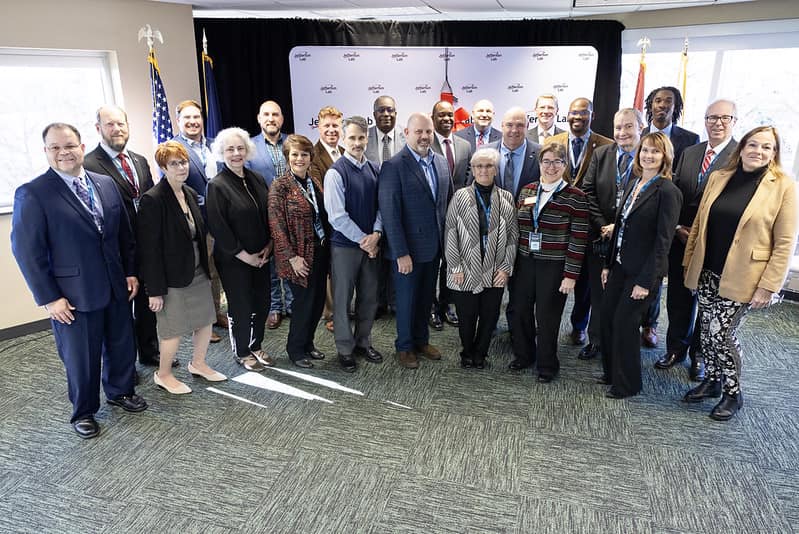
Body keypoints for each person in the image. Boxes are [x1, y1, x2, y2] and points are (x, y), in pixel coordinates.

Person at [11, 123, 147, 439]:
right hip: (71, 296)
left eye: (70, 145)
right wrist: (49, 298)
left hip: (115, 285)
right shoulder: (34, 193)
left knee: (121, 344)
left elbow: (123, 235)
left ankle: (120, 391)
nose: (64, 153)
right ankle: (84, 411)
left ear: (82, 147)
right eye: (56, 147)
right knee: (82, 357)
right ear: (46, 152)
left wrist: (130, 272)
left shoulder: (105, 184)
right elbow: (27, 251)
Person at [682, 125, 797, 421]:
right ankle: (713, 381)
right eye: (753, 145)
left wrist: (768, 286)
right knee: (706, 331)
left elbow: (785, 243)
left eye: (767, 147)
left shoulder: (784, 186)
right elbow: (699, 224)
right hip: (708, 270)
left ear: (774, 153)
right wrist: (689, 262)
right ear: (742, 147)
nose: (758, 151)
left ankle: (733, 393)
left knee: (722, 334)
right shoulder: (720, 177)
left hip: (746, 276)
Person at [655, 100, 739, 381]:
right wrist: (678, 226)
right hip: (681, 238)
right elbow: (676, 194)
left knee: (706, 302)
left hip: (713, 245)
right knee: (678, 298)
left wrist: (701, 233)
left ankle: (699, 355)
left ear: (734, 121)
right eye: (712, 117)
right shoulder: (690, 152)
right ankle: (675, 348)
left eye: (724, 118)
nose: (717, 123)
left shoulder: (740, 156)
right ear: (705, 121)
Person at [137, 141, 227, 394]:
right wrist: (154, 290)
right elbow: (149, 250)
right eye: (174, 163)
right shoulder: (153, 199)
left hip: (197, 271)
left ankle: (198, 363)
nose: (181, 167)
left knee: (205, 321)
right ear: (164, 167)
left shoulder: (188, 192)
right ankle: (163, 374)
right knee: (172, 330)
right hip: (171, 279)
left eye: (184, 162)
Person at [600, 132, 682, 399]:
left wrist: (646, 282)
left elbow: (663, 242)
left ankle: (628, 384)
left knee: (625, 323)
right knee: (607, 318)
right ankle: (611, 374)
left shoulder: (668, 191)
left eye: (655, 151)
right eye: (645, 150)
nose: (648, 155)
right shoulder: (635, 182)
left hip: (642, 273)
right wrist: (607, 264)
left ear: (665, 157)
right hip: (619, 265)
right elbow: (620, 226)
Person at [83, 105, 160, 368]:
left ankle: (149, 351)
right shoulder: (89, 164)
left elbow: (149, 200)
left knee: (147, 303)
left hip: (144, 246)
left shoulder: (139, 160)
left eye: (121, 124)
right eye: (110, 124)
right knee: (120, 311)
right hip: (115, 250)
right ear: (98, 129)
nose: (117, 129)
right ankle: (124, 364)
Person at [509, 143, 589, 382]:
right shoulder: (527, 190)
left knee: (547, 317)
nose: (551, 167)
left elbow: (578, 239)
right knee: (519, 311)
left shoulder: (576, 197)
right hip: (524, 262)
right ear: (539, 163)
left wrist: (570, 275)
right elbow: (516, 228)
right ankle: (524, 355)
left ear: (565, 165)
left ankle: (547, 365)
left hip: (554, 267)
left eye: (557, 162)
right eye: (546, 161)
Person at [378, 113, 452, 369]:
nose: (424, 136)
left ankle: (421, 340)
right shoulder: (393, 166)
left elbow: (446, 204)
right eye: (419, 131)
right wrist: (400, 252)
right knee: (407, 301)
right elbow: (390, 213)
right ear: (407, 133)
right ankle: (405, 346)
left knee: (425, 298)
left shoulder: (441, 162)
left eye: (428, 132)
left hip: (434, 248)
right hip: (407, 251)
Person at [206, 127, 274, 372]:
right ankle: (242, 351)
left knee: (263, 303)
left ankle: (256, 345)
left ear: (248, 150)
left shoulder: (257, 178)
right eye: (230, 149)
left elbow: (268, 215)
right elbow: (218, 227)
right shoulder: (217, 185)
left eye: (240, 148)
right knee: (241, 306)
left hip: (262, 256)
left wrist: (269, 245)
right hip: (234, 259)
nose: (236, 153)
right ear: (222, 153)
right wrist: (245, 257)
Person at [548, 97, 613, 348]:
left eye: (583, 112)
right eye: (573, 112)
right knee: (555, 279)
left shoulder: (606, 145)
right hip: (558, 225)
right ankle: (549, 324)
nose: (577, 117)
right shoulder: (553, 141)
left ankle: (578, 325)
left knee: (585, 282)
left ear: (592, 115)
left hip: (589, 224)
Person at [444, 148, 517, 369]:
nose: (483, 170)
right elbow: (450, 232)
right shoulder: (460, 196)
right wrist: (455, 266)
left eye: (488, 166)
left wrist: (505, 268)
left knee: (489, 316)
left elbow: (513, 236)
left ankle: (481, 354)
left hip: (495, 269)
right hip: (465, 268)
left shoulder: (506, 198)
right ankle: (467, 352)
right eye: (479, 166)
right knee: (467, 317)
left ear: (495, 169)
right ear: (473, 170)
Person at [581, 108, 644, 362]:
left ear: (641, 128)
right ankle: (596, 340)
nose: (622, 132)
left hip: (632, 240)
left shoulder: (648, 157)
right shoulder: (601, 154)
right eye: (618, 127)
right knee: (599, 293)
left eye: (628, 126)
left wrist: (618, 227)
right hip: (601, 238)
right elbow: (588, 192)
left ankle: (619, 344)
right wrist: (603, 225)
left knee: (625, 296)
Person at [640, 86, 701, 347]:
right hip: (640, 215)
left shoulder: (690, 139)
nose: (662, 105)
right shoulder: (637, 133)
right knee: (637, 271)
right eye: (657, 100)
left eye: (668, 101)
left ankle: (652, 325)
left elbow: (688, 184)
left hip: (671, 219)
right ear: (650, 105)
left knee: (661, 275)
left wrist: (676, 222)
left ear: (676, 107)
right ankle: (636, 321)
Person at [323, 116, 384, 372]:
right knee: (343, 299)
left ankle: (363, 342)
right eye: (352, 138)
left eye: (361, 138)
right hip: (345, 247)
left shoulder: (374, 169)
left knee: (369, 297)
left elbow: (382, 206)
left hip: (372, 245)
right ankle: (345, 349)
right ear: (343, 139)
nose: (357, 143)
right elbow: (337, 217)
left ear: (367, 139)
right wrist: (365, 241)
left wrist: (377, 234)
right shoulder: (335, 173)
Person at [269, 134, 332, 369]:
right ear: (287, 157)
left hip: (319, 251)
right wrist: (292, 257)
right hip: (298, 257)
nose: (299, 158)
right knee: (303, 304)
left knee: (317, 302)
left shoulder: (313, 182)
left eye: (304, 154)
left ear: (310, 157)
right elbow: (276, 226)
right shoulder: (280, 186)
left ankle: (308, 344)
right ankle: (295, 350)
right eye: (294, 154)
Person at [172, 99, 225, 343]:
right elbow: (174, 187)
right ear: (178, 121)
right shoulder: (173, 148)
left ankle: (215, 313)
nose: (193, 122)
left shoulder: (215, 144)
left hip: (220, 221)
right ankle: (200, 324)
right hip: (194, 222)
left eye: (196, 117)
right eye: (187, 118)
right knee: (199, 275)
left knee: (215, 272)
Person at [248, 100, 293, 329]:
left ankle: (292, 304)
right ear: (259, 119)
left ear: (282, 119)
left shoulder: (292, 142)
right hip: (263, 213)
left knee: (291, 258)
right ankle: (274, 307)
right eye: (266, 114)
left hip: (292, 213)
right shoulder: (249, 147)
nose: (271, 118)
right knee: (269, 262)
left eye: (275, 114)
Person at [430, 100, 473, 330]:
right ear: (433, 118)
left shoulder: (465, 145)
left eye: (449, 115)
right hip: (431, 215)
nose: (446, 118)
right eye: (441, 115)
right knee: (430, 262)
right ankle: (431, 306)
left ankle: (446, 304)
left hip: (457, 215)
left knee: (451, 261)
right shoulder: (426, 143)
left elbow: (468, 177)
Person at [309, 106, 345, 333]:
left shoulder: (344, 151)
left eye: (335, 126)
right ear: (319, 128)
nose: (331, 130)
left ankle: (342, 308)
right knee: (329, 270)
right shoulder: (313, 155)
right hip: (327, 221)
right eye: (327, 126)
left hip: (346, 221)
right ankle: (330, 313)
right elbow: (318, 191)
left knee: (340, 269)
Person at [365, 95, 406, 168]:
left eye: (390, 110)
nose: (386, 114)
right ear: (374, 115)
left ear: (395, 114)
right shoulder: (364, 137)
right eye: (381, 110)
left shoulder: (408, 136)